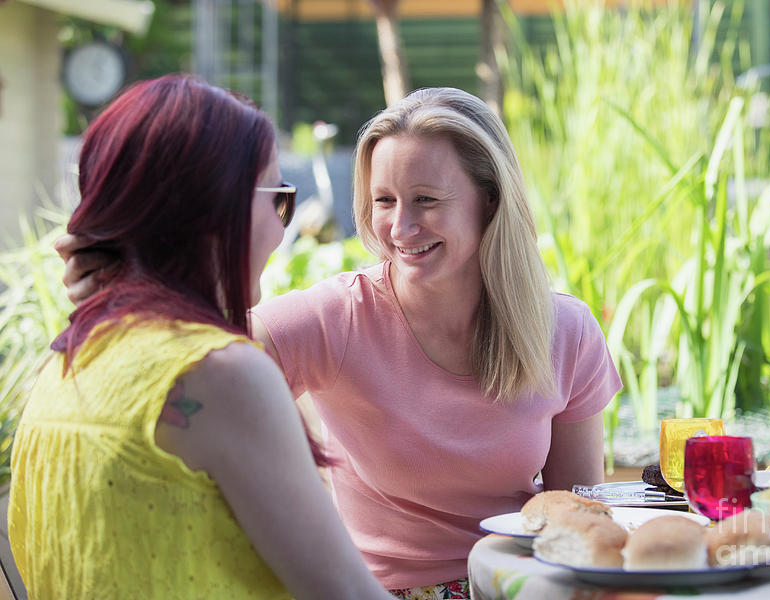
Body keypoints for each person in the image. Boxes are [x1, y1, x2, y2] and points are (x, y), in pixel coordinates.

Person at [57, 87, 622, 599]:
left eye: (426, 199)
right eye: (384, 201)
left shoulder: (565, 331)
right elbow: (189, 355)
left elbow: (580, 520)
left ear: (490, 202)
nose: (399, 228)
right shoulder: (336, 317)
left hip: (519, 585)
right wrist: (112, 270)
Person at [9, 74, 397, 600]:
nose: (283, 228)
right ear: (218, 207)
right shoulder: (219, 375)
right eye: (278, 199)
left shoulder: (63, 364)